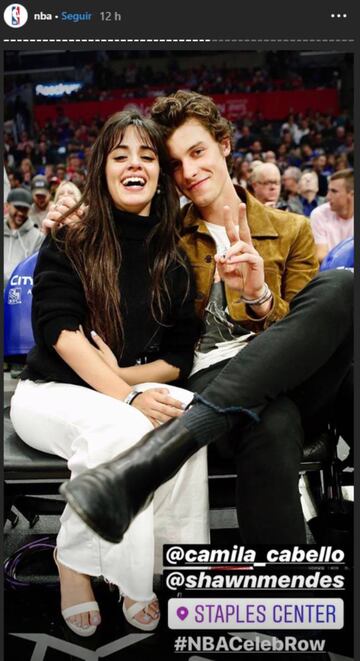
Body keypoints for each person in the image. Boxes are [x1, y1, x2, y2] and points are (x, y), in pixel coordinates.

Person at [57, 91, 353, 549]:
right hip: (206, 385)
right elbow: (100, 241)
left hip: (294, 378)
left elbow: (308, 337)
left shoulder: (291, 229)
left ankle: (160, 455)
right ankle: (284, 600)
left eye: (198, 153)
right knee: (271, 420)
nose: (189, 173)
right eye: (175, 163)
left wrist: (256, 296)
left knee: (344, 286)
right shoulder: (162, 236)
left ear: (225, 145)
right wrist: (67, 219)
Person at [10, 110, 209, 636]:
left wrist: (123, 376)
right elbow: (61, 333)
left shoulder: (173, 258)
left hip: (118, 387)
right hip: (49, 391)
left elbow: (178, 357)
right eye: (120, 155)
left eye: (146, 156)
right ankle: (75, 562)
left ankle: (157, 562)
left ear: (161, 176)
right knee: (126, 427)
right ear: (102, 169)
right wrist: (126, 395)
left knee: (191, 419)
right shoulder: (72, 238)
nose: (134, 165)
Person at [310, 169, 354, 263]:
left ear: (351, 194)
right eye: (329, 190)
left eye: (334, 191)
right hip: (331, 274)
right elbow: (321, 257)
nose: (328, 197)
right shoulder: (319, 214)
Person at [4, 188, 44, 288]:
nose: (21, 213)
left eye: (25, 209)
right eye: (17, 207)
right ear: (7, 205)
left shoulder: (37, 237)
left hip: (20, 292)